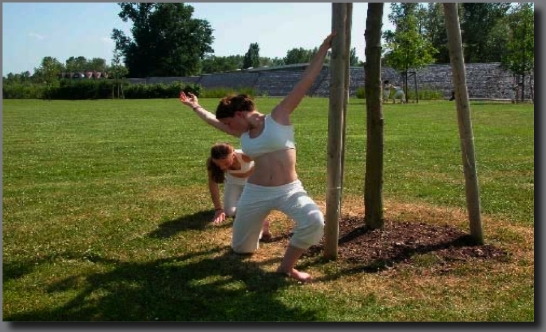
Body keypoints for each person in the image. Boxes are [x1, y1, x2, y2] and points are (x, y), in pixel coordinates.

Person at [179, 31, 337, 282]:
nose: (229, 129)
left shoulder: (279, 116)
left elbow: (305, 81)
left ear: (240, 114)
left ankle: (286, 267)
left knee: (314, 221)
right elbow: (212, 121)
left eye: (230, 122)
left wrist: (323, 49)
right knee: (242, 249)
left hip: (289, 190)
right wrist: (195, 106)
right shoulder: (241, 132)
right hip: (255, 192)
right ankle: (258, 229)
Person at [206, 142, 271, 240]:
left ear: (233, 155)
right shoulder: (211, 162)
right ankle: (248, 208)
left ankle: (258, 218)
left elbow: (266, 158)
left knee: (257, 206)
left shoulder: (245, 156)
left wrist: (251, 172)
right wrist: (218, 209)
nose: (222, 168)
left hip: (252, 184)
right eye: (218, 165)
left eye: (226, 163)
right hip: (233, 185)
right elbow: (213, 184)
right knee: (230, 212)